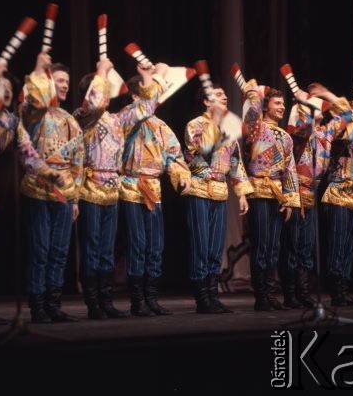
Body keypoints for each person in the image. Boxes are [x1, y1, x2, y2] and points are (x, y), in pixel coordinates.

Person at [0, 62, 62, 324]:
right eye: (1, 87)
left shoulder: (12, 122)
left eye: (10, 88)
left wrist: (48, 173)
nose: (6, 91)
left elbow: (28, 154)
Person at [119, 63, 191, 316]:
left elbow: (174, 156)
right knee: (137, 243)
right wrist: (153, 76)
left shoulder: (161, 127)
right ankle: (137, 299)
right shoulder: (126, 118)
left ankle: (151, 296)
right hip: (131, 186)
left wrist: (181, 176)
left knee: (155, 245)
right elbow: (143, 109)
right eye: (146, 91)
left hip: (154, 188)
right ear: (135, 95)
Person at [20, 53, 84, 322]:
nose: (65, 85)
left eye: (67, 81)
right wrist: (38, 71)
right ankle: (37, 305)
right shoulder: (36, 113)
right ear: (48, 82)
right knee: (40, 249)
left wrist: (77, 198)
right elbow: (29, 102)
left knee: (59, 250)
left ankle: (53, 303)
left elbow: (79, 159)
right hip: (39, 186)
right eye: (60, 80)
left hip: (65, 192)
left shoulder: (70, 119)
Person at [282, 84, 353, 308]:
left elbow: (347, 114)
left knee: (306, 247)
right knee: (293, 246)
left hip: (312, 194)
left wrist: (326, 94)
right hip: (295, 192)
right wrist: (303, 102)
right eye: (314, 109)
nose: (320, 112)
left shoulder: (325, 135)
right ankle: (291, 293)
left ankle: (304, 292)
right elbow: (300, 127)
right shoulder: (298, 136)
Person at [184, 84, 253, 314]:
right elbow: (197, 154)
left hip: (220, 191)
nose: (225, 97)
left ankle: (214, 294)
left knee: (215, 247)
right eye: (219, 95)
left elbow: (235, 162)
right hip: (200, 188)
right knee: (201, 245)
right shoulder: (196, 125)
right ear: (206, 101)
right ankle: (202, 297)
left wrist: (241, 192)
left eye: (225, 95)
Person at [73, 58, 128, 319]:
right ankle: (92, 302)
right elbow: (94, 104)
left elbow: (144, 109)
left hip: (112, 189)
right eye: (102, 88)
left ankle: (106, 299)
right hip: (90, 188)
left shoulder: (115, 120)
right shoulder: (81, 117)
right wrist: (102, 71)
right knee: (92, 246)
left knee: (107, 248)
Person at [242, 82, 300, 311]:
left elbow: (290, 169)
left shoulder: (286, 137)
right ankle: (261, 296)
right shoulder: (256, 127)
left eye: (284, 103)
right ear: (266, 107)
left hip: (277, 194)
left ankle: (271, 293)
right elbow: (251, 114)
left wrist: (290, 200)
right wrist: (255, 92)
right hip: (258, 191)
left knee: (274, 246)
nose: (282, 107)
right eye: (277, 103)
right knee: (261, 244)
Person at [318, 85, 353, 307]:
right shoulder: (341, 132)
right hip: (338, 193)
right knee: (338, 244)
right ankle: (336, 289)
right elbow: (343, 127)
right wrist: (330, 96)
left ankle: (345, 286)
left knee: (350, 245)